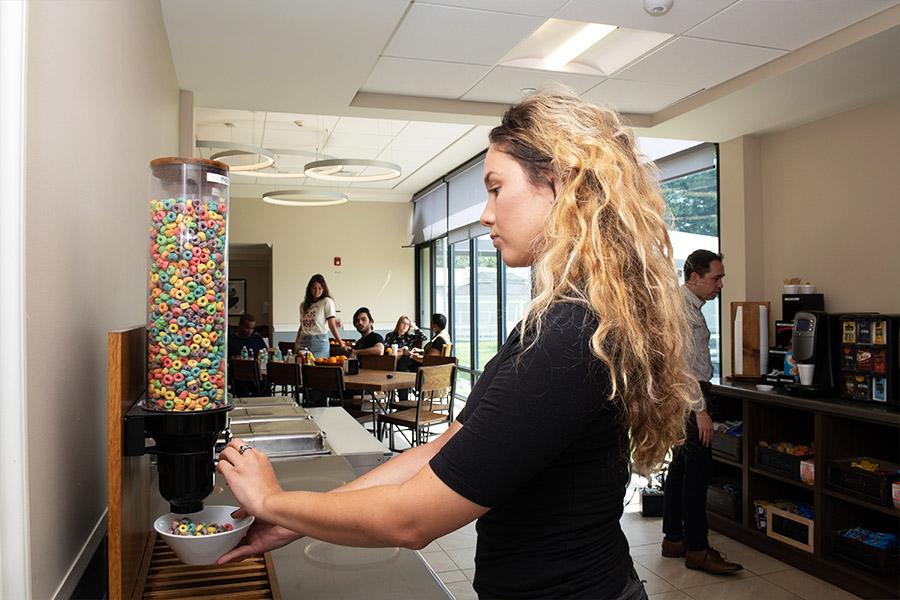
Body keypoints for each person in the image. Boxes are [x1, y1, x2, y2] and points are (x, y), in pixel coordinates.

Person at [216, 86, 694, 599]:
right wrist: (299, 519)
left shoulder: (571, 336)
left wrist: (272, 501)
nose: (485, 214)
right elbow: (441, 449)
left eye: (495, 188)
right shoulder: (560, 320)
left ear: (557, 185)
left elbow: (412, 518)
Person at [662, 250, 742, 574]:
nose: (720, 285)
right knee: (697, 476)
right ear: (695, 277)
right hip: (689, 401)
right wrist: (701, 412)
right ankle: (698, 549)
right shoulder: (683, 309)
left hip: (684, 400)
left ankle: (674, 539)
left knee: (680, 471)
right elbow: (683, 367)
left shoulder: (687, 305)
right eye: (716, 278)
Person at [294, 274, 344, 360]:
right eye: (314, 288)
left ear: (323, 289)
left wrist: (341, 343)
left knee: (318, 368)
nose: (317, 290)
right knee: (302, 369)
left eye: (320, 288)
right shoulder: (303, 305)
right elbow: (302, 325)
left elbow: (331, 324)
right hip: (303, 341)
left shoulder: (327, 302)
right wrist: (296, 342)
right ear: (310, 289)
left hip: (320, 342)